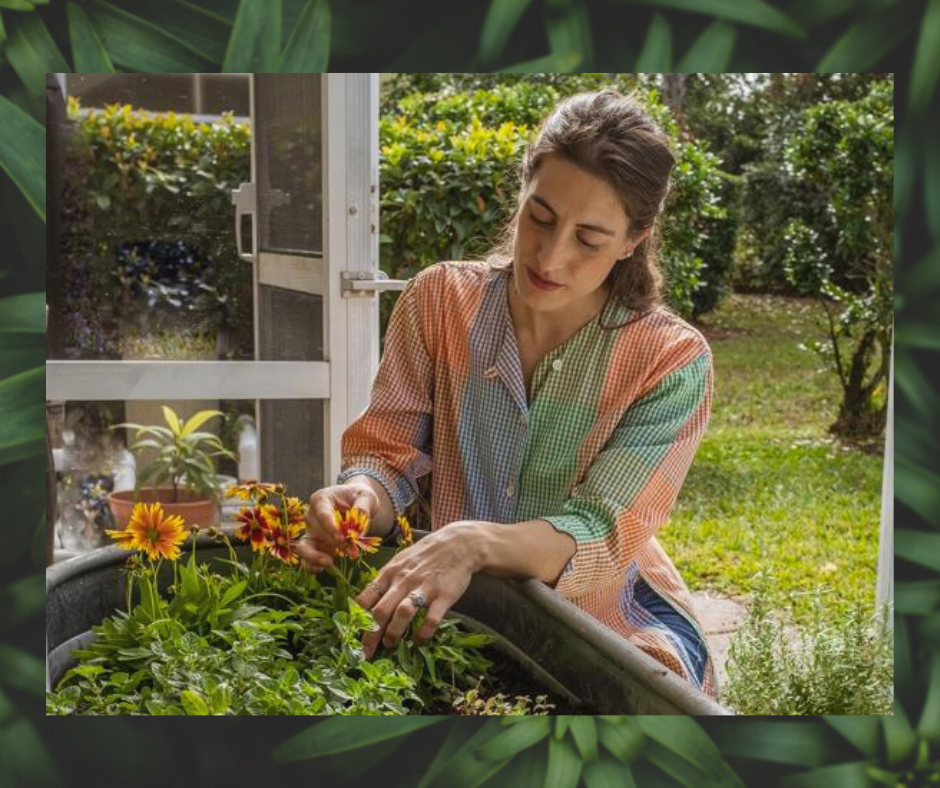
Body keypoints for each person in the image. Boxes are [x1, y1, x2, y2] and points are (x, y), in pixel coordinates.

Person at [297, 88, 716, 698]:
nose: (551, 255)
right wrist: (359, 500)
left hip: (599, 614)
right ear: (522, 190)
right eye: (540, 216)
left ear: (633, 239)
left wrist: (474, 542)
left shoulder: (671, 361)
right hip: (440, 602)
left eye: (589, 239)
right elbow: (389, 460)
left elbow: (598, 532)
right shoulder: (440, 300)